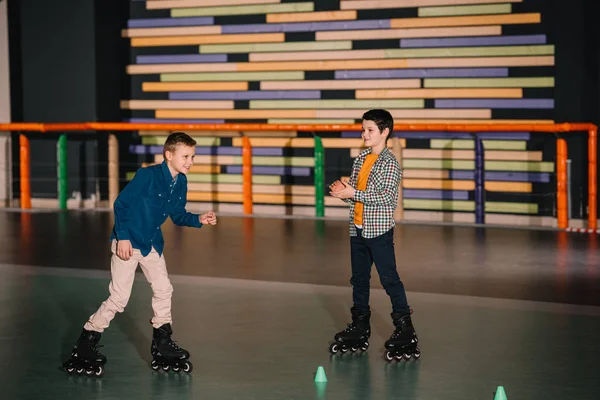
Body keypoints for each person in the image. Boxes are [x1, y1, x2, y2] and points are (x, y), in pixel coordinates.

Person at [63, 132, 217, 376]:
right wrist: (122, 236)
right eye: (185, 156)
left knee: (164, 288)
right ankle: (85, 344)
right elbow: (121, 204)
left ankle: (162, 343)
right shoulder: (148, 175)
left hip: (152, 244)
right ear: (169, 154)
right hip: (128, 242)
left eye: (193, 156)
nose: (190, 161)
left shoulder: (182, 182)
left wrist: (198, 219)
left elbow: (177, 215)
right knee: (119, 299)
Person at [328, 109, 420, 361]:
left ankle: (405, 329)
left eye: (370, 130)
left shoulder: (390, 163)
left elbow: (386, 199)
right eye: (363, 129)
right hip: (357, 229)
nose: (364, 134)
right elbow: (356, 196)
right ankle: (360, 326)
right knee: (359, 280)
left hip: (378, 232)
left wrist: (353, 193)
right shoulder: (361, 160)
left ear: (385, 132)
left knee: (389, 279)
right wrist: (343, 192)